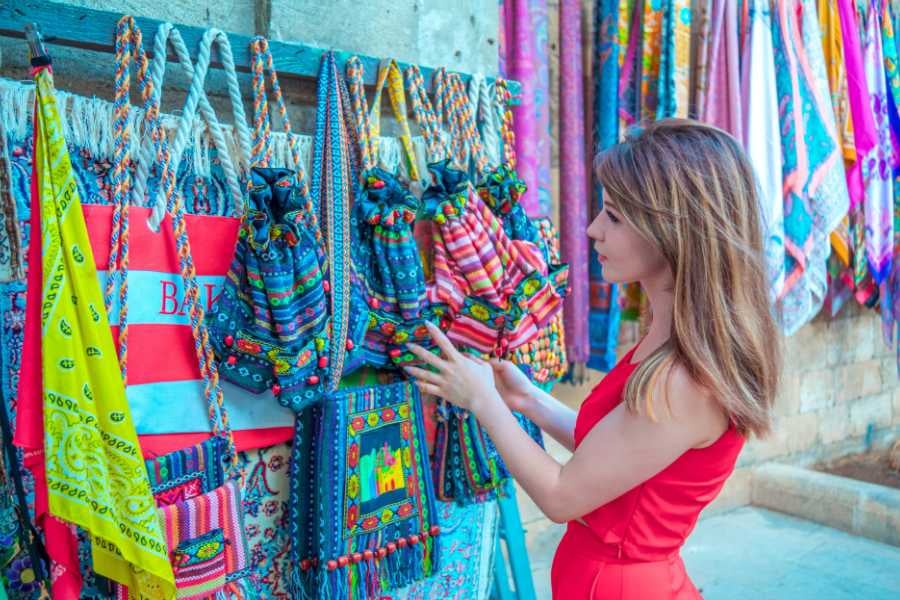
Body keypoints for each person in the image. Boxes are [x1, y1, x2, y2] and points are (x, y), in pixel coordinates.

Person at [404, 119, 782, 599]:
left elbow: (562, 495)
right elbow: (616, 450)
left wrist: (483, 402)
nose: (593, 229)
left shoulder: (685, 380)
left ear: (674, 231)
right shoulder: (672, 345)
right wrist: (528, 401)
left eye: (615, 217)